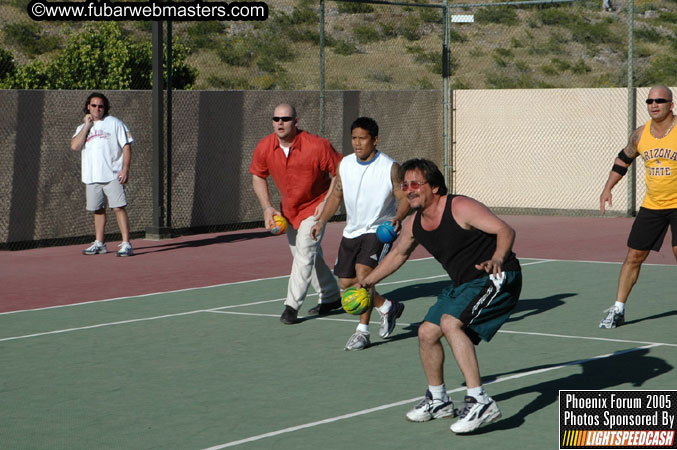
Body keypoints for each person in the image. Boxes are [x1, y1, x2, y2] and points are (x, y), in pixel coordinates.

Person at [359, 158, 522, 433]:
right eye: (405, 185)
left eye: (415, 184)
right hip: (465, 284)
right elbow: (398, 254)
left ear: (434, 187)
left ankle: (480, 401)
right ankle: (439, 400)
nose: (409, 190)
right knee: (426, 332)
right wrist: (367, 282)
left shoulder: (459, 207)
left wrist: (497, 257)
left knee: (450, 323)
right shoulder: (414, 224)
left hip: (498, 275)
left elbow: (505, 230)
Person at [310, 117, 410, 351]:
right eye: (354, 138)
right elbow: (336, 195)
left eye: (362, 138)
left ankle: (362, 332)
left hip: (379, 229)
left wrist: (398, 218)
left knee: (363, 275)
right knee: (346, 282)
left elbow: (403, 198)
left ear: (375, 140)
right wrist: (321, 221)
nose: (357, 143)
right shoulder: (344, 164)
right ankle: (387, 307)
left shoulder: (390, 167)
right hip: (352, 230)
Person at [250, 103, 342, 324]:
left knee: (304, 253)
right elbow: (258, 176)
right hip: (289, 211)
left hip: (315, 208)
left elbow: (340, 171)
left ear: (296, 121)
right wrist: (267, 207)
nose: (280, 123)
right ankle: (331, 296)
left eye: (286, 119)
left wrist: (328, 201)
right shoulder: (264, 147)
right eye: (276, 119)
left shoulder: (317, 146)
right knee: (308, 255)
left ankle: (291, 307)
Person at [599, 85, 677, 328]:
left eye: (660, 101)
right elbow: (623, 159)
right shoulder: (640, 134)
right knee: (633, 256)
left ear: (671, 105)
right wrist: (607, 187)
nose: (654, 105)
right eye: (649, 100)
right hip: (652, 205)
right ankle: (618, 309)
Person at [70, 92, 134, 257]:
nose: (97, 109)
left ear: (105, 108)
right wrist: (86, 126)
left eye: (100, 106)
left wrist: (125, 169)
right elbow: (75, 146)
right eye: (94, 105)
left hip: (112, 175)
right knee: (98, 210)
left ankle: (126, 244)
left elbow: (126, 145)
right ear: (88, 107)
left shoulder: (114, 123)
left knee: (118, 207)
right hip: (92, 177)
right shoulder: (82, 128)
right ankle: (99, 243)